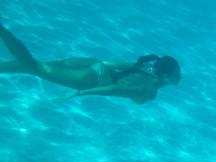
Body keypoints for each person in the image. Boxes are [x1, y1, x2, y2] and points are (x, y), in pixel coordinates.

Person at [0, 20, 181, 104]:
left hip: (96, 65)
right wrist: (80, 92)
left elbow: (117, 64)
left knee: (33, 67)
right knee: (34, 66)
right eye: (176, 75)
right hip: (90, 79)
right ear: (165, 75)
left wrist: (99, 65)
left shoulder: (146, 70)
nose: (180, 78)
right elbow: (114, 90)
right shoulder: (149, 90)